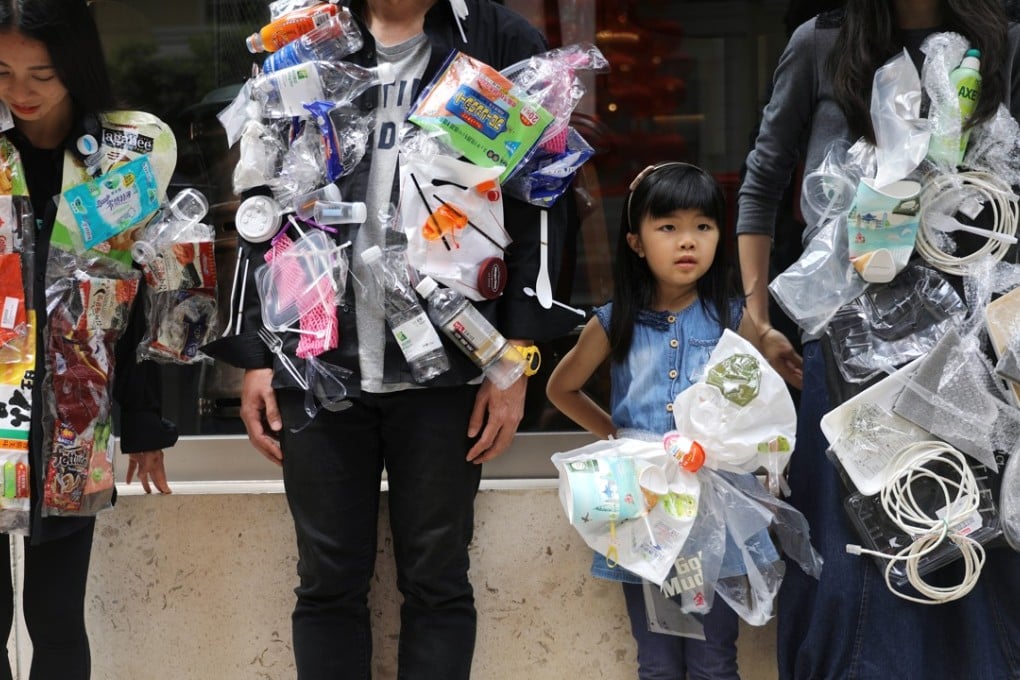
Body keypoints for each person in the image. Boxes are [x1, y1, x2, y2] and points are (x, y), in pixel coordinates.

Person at [212, 1, 578, 678]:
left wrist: (516, 360)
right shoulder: (307, 38)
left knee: (439, 583)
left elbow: (541, 203)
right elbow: (259, 199)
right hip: (316, 361)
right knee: (326, 586)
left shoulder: (498, 39)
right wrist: (257, 357)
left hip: (451, 367)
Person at [737, 1, 1020, 678]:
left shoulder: (1003, 42)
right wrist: (758, 314)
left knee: (971, 541)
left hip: (973, 339)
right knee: (853, 550)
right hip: (844, 337)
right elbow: (764, 180)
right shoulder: (821, 42)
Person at [0, 0, 177, 678]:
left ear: (76, 65)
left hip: (76, 422)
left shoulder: (123, 157)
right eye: (5, 72)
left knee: (55, 616)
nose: (21, 92)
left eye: (42, 73)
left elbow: (133, 304)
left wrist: (144, 421)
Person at [546, 162, 753, 680]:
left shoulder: (733, 317)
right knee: (657, 659)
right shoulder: (614, 321)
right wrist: (620, 440)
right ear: (636, 242)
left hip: (713, 507)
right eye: (668, 227)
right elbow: (560, 389)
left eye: (703, 227)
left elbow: (760, 405)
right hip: (642, 509)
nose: (688, 241)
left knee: (713, 657)